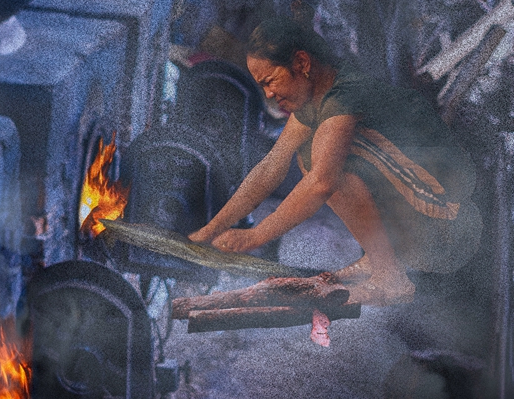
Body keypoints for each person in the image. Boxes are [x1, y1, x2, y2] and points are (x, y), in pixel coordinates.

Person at [188, 17, 480, 306]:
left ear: (302, 64)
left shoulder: (343, 97)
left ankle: (391, 278)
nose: (268, 94)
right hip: (424, 212)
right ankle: (379, 258)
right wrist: (214, 227)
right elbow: (270, 167)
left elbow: (321, 185)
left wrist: (253, 238)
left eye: (271, 81)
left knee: (326, 170)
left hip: (447, 224)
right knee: (309, 157)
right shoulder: (318, 95)